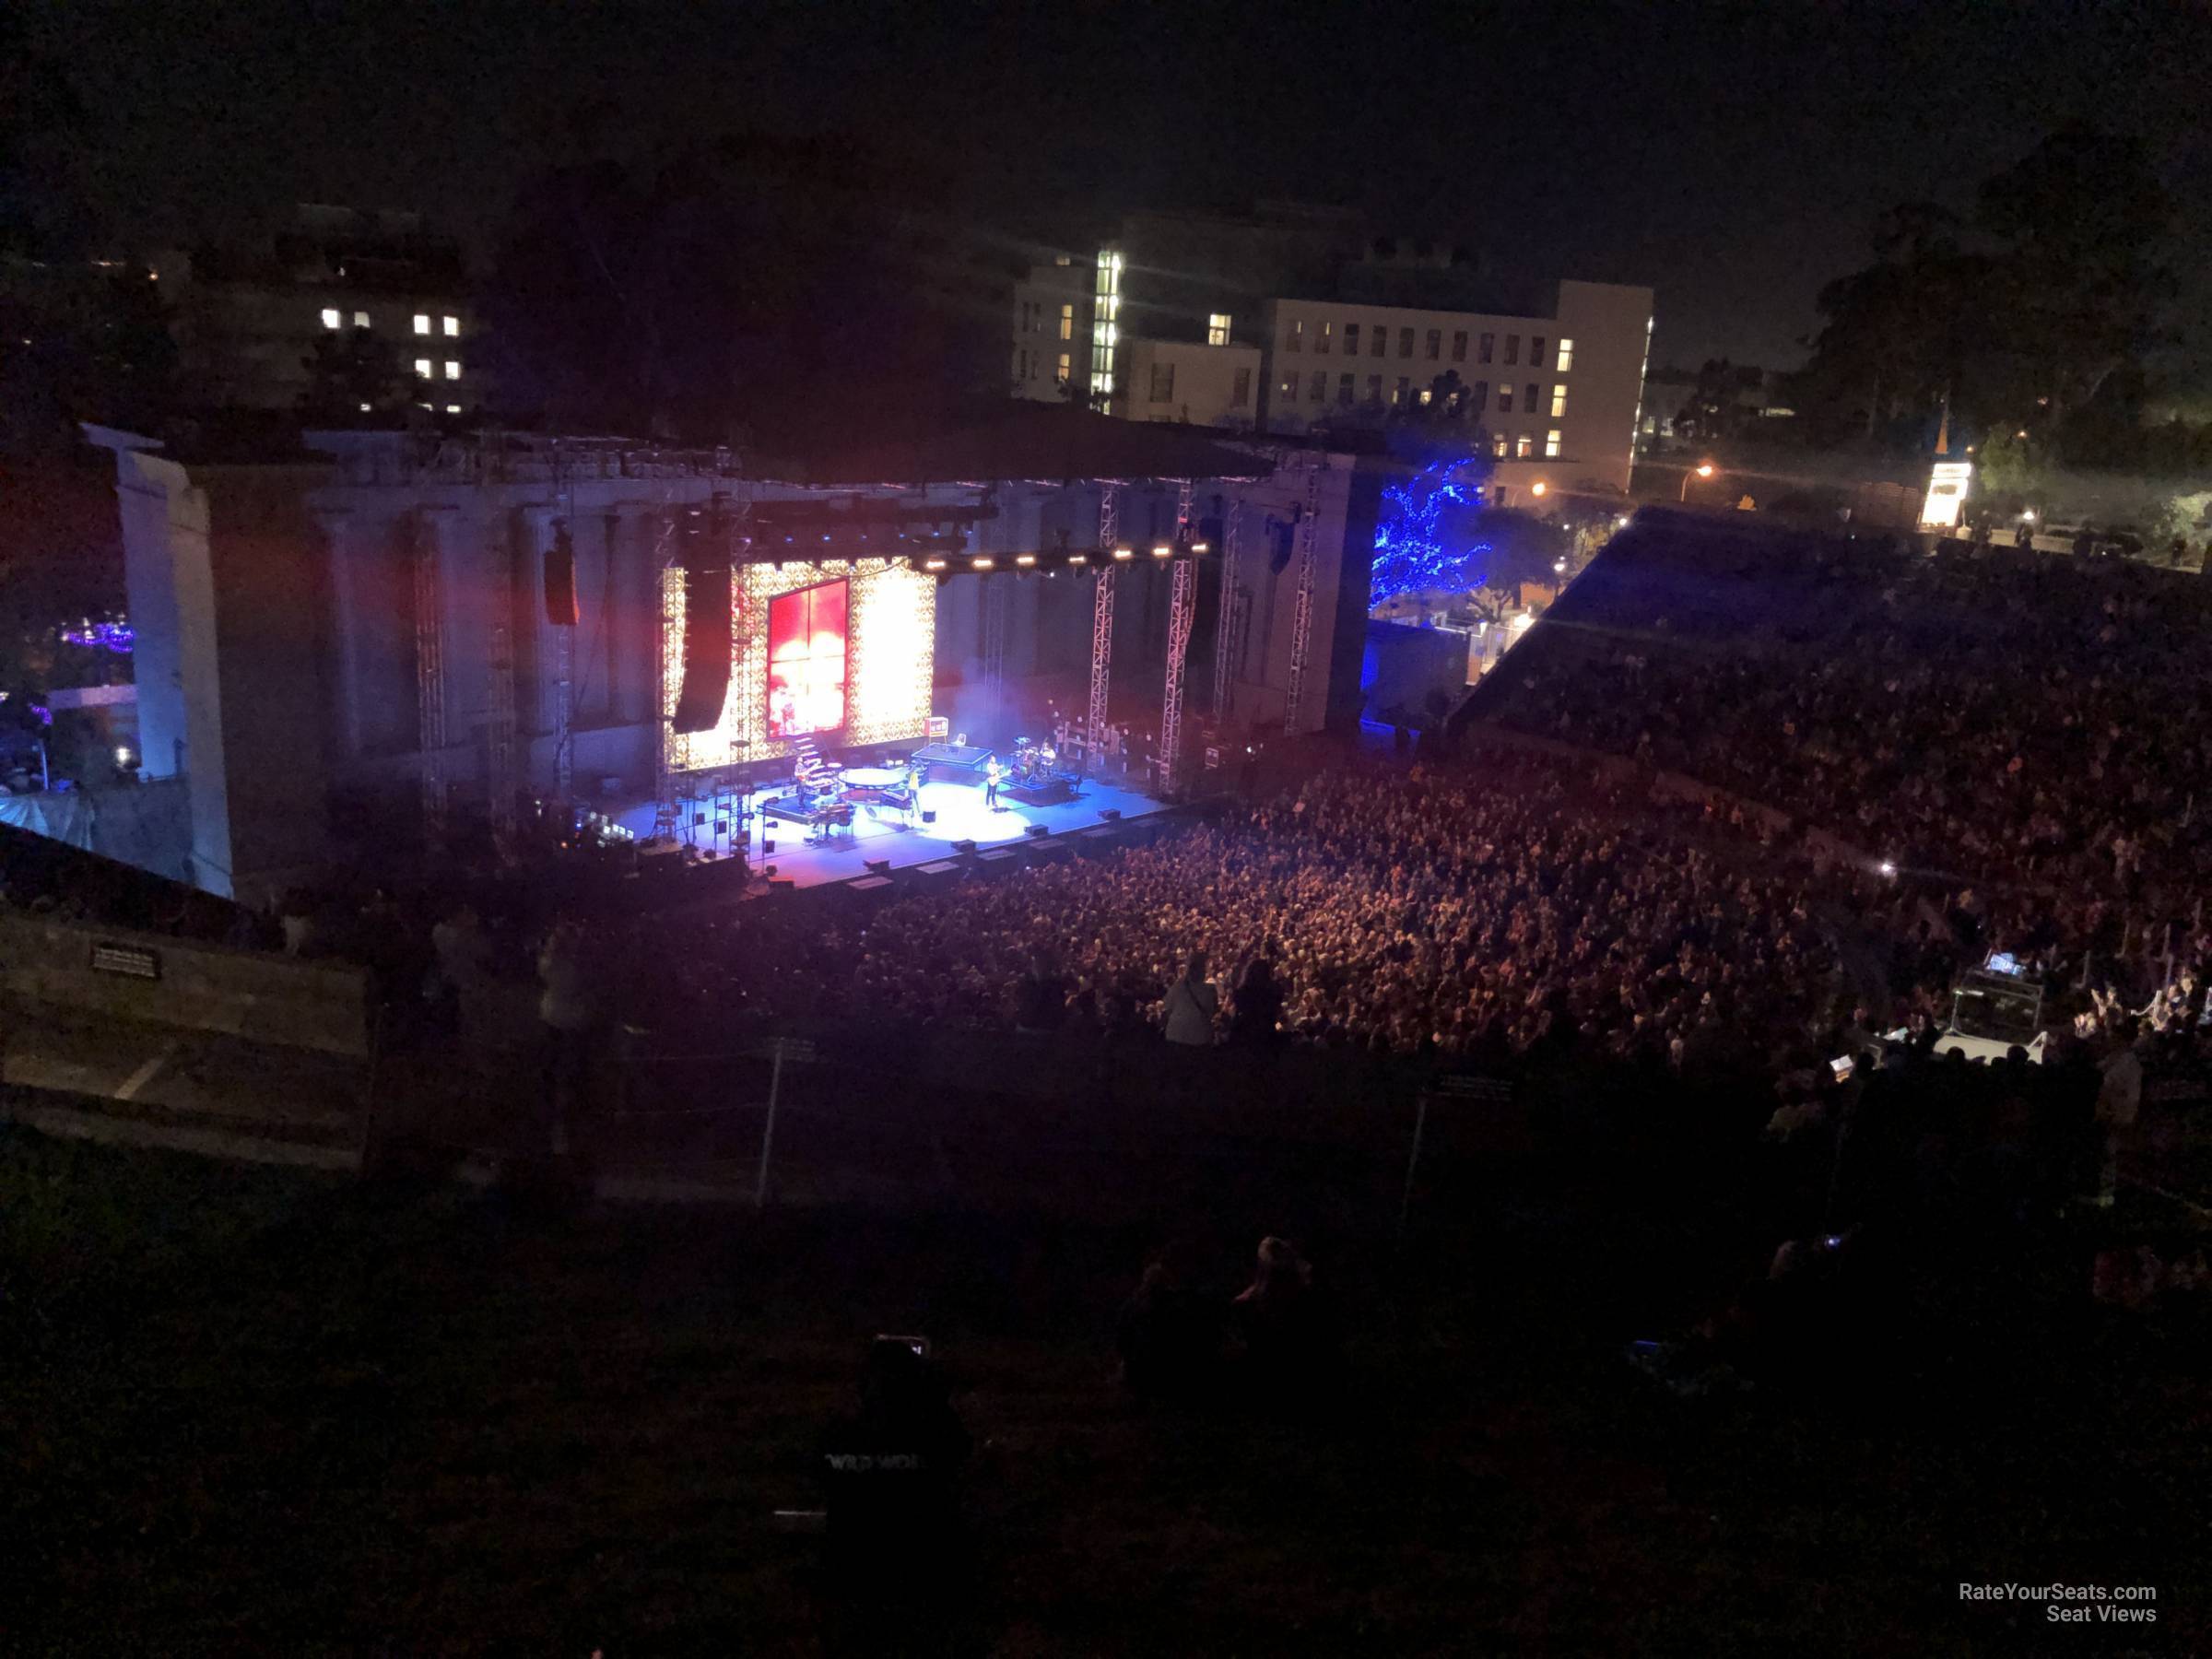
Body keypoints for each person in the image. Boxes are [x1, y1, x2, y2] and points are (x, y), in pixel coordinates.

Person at [1161, 951, 1218, 1049]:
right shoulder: (1210, 990)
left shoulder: (1178, 986)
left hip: (1175, 1035)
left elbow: (1167, 1006)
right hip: (1198, 1037)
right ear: (1203, 971)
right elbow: (1212, 1012)